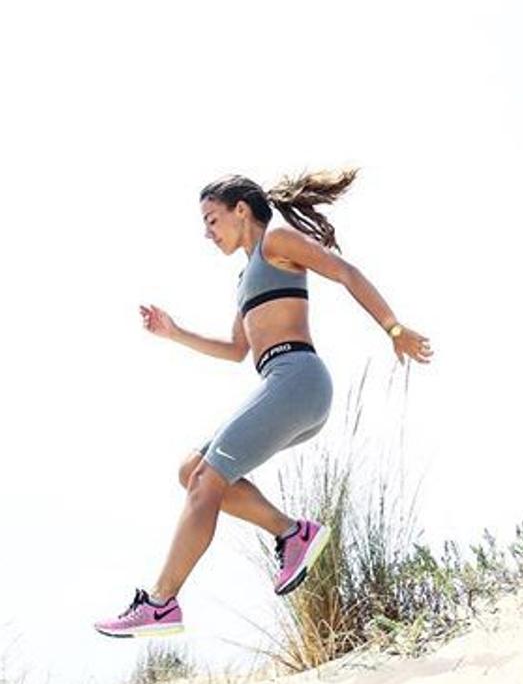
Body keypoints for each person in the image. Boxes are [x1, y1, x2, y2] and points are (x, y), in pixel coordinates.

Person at [93, 170, 433, 638]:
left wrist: (394, 329)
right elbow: (237, 350)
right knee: (191, 469)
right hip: (281, 383)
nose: (207, 233)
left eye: (212, 220)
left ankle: (160, 603)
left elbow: (344, 271)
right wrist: (174, 333)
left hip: (298, 380)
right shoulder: (247, 274)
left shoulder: (277, 240)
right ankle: (292, 533)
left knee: (205, 482)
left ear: (240, 210)